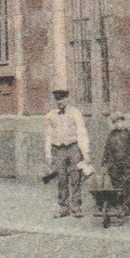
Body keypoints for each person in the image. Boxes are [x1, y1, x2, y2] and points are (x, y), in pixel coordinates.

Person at [43, 89, 91, 218]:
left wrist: (85, 152)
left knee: (76, 178)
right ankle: (63, 207)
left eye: (62, 99)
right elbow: (48, 135)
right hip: (58, 150)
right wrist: (48, 154)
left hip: (73, 148)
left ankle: (76, 207)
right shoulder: (50, 115)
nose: (60, 102)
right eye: (57, 100)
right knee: (61, 179)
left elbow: (82, 132)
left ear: (67, 99)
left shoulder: (75, 113)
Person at [100, 113, 130, 222]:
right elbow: (107, 150)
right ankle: (121, 206)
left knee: (129, 186)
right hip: (115, 166)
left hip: (128, 164)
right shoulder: (111, 135)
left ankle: (128, 207)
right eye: (115, 122)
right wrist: (104, 163)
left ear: (123, 121)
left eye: (119, 121)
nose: (118, 124)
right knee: (117, 186)